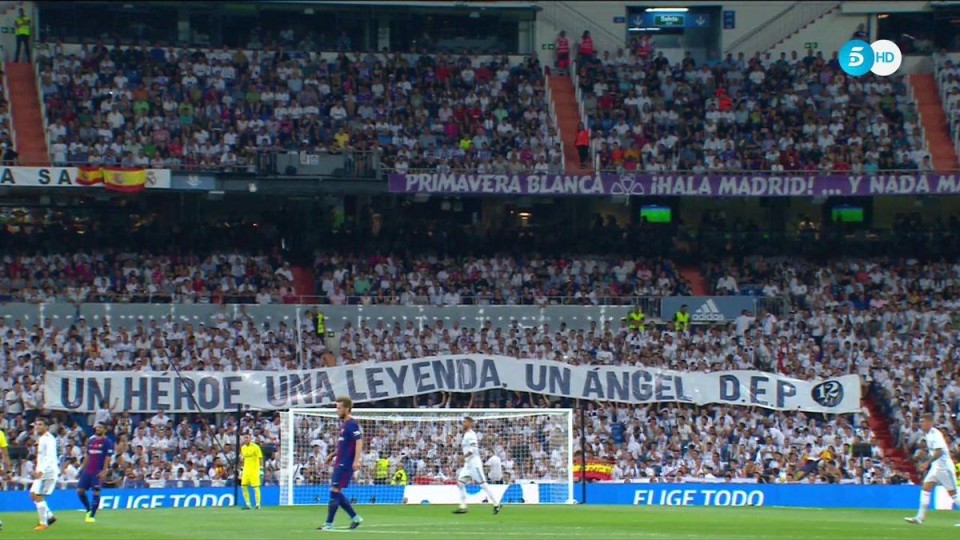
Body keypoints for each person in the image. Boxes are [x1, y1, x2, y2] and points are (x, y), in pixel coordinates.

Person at [905, 413, 960, 525]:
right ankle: (919, 518)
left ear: (930, 422)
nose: (921, 424)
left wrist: (927, 463)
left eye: (923, 422)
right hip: (936, 467)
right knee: (925, 488)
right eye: (921, 421)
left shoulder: (935, 434)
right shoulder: (928, 434)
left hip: (944, 468)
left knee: (954, 494)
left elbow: (939, 451)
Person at [320, 396, 363, 531]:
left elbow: (359, 441)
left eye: (339, 408)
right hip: (339, 462)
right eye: (336, 408)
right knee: (336, 492)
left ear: (347, 409)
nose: (336, 410)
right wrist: (332, 455)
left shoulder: (352, 424)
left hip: (345, 464)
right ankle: (355, 518)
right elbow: (344, 446)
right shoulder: (344, 425)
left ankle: (329, 523)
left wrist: (356, 460)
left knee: (334, 491)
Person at [453, 416, 502, 515]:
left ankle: (496, 504)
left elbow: (474, 449)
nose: (463, 424)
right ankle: (463, 507)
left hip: (474, 464)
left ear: (470, 423)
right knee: (460, 483)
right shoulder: (465, 435)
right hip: (468, 465)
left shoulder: (471, 435)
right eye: (463, 422)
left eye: (465, 422)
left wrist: (463, 457)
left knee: (483, 485)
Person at [77, 422, 115, 523]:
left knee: (96, 491)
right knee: (80, 491)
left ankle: (92, 515)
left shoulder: (107, 442)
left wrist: (104, 470)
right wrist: (82, 468)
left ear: (105, 430)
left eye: (100, 427)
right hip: (88, 470)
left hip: (97, 471)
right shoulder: (91, 441)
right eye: (97, 427)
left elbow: (108, 458)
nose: (97, 429)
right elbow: (87, 456)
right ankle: (88, 509)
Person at [30, 418, 58, 531]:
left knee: (37, 495)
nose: (37, 427)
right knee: (33, 494)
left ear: (46, 427)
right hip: (43, 470)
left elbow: (49, 456)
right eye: (36, 425)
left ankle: (43, 523)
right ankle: (50, 516)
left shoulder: (48, 439)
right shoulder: (42, 438)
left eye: (40, 425)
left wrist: (41, 470)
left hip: (48, 471)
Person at [240, 433, 264, 510]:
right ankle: (248, 504)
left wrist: (261, 469)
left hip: (254, 470)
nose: (246, 439)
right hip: (246, 470)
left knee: (256, 487)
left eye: (247, 438)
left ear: (250, 439)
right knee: (243, 486)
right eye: (245, 438)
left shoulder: (256, 447)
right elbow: (243, 459)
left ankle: (257, 504)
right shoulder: (243, 448)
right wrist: (241, 469)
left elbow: (260, 458)